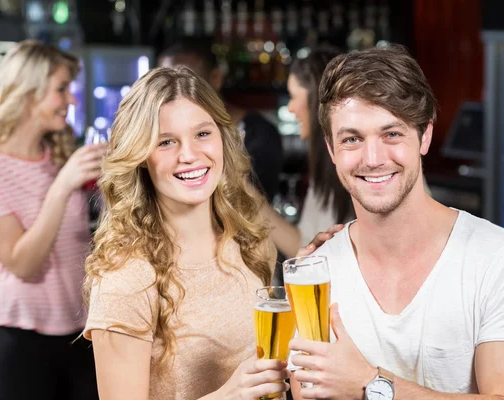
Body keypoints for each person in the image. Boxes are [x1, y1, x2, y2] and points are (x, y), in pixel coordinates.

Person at [289, 45, 504, 399]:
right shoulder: (315, 275)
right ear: (331, 149)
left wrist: (370, 385)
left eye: (392, 134)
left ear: (425, 135)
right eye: (352, 139)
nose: (373, 158)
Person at [82, 66, 290, 400]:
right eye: (166, 142)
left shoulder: (248, 240)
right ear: (140, 158)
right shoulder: (127, 280)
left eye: (202, 134)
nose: (190, 155)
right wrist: (230, 396)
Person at [0, 40, 103, 400]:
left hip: (82, 332)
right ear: (28, 91)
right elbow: (22, 262)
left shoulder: (60, 152)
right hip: (19, 339)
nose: (71, 100)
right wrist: (63, 184)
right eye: (62, 89)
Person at [158, 37, 284, 203]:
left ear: (216, 77)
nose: (176, 95)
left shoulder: (260, 135)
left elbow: (254, 206)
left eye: (188, 84)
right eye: (165, 86)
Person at [261, 47, 354, 260]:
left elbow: (307, 252)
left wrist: (252, 203)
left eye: (294, 96)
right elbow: (308, 246)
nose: (291, 108)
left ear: (316, 100)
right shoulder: (325, 166)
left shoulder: (346, 165)